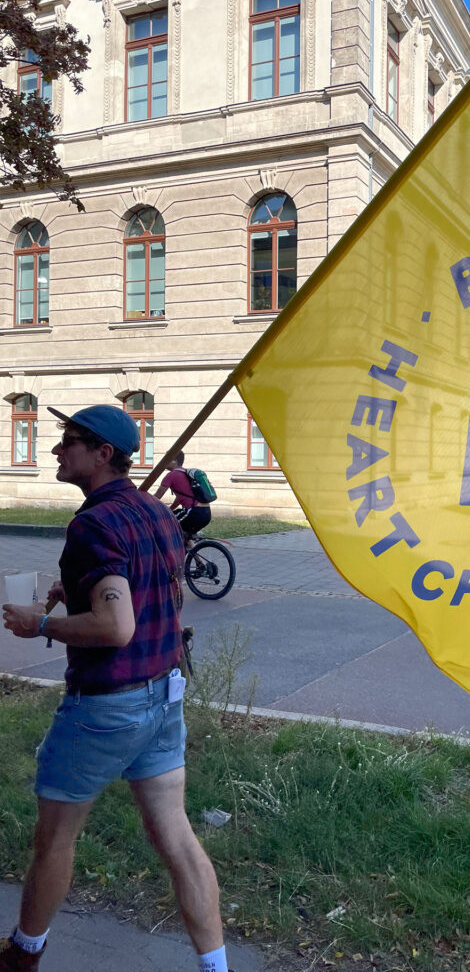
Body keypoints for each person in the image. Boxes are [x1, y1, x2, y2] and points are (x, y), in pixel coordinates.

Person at [0, 406, 230, 972]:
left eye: (70, 441)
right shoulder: (155, 511)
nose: (57, 450)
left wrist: (42, 624)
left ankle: (23, 955)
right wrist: (74, 586)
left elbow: (115, 626)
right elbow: (142, 585)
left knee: (54, 840)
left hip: (105, 706)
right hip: (164, 695)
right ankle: (217, 966)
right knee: (176, 837)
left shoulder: (94, 523)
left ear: (103, 454)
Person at [155, 451, 211, 543]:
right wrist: (170, 508)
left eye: (167, 458)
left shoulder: (171, 475)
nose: (164, 461)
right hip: (206, 513)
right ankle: (195, 555)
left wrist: (142, 504)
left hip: (193, 513)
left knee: (165, 523)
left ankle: (172, 553)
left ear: (175, 461)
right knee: (183, 534)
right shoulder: (186, 473)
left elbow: (157, 497)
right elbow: (180, 497)